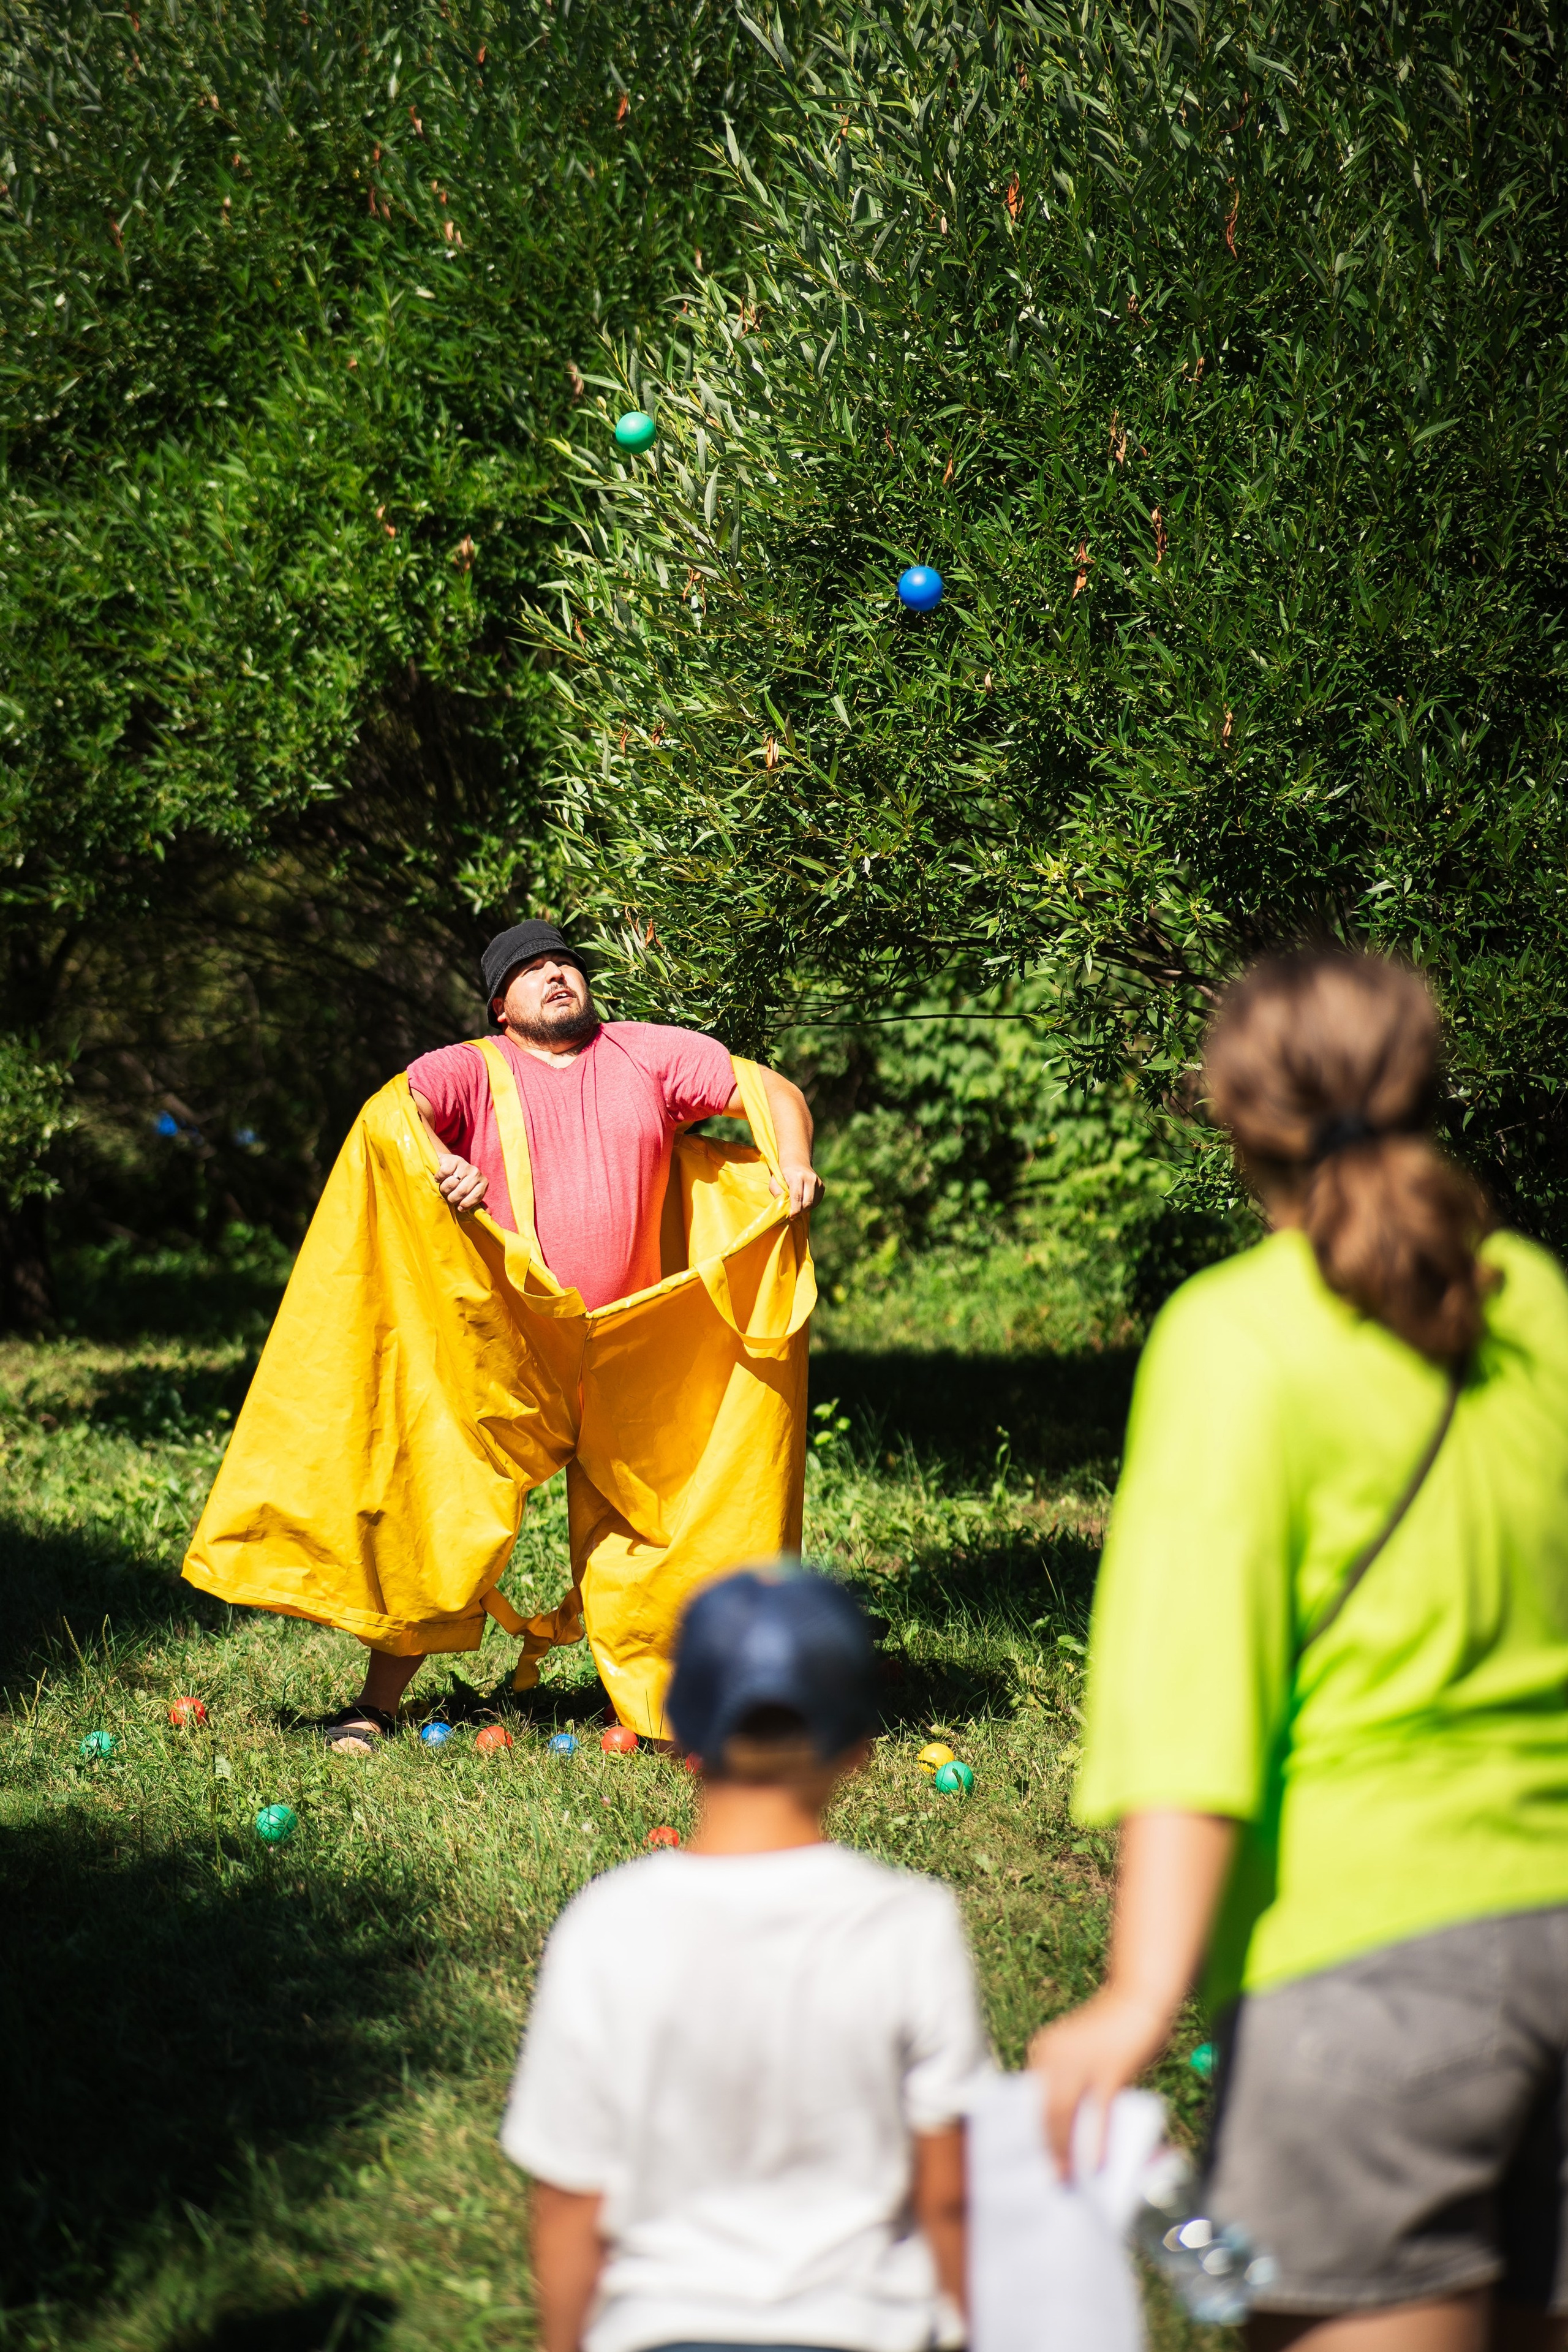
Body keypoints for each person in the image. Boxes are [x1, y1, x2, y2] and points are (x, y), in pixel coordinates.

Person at [1030, 948, 1568, 2352]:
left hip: (1366, 1979)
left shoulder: (1232, 1340)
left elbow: (1194, 1693)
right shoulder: (1537, 1305)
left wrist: (1139, 1992)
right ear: (1427, 1083)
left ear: (1226, 1105)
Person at [183, 922, 823, 1751]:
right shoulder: (471, 1070)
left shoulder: (647, 1056)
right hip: (508, 1348)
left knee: (674, 1526)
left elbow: (768, 1090)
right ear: (500, 1005)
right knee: (439, 1516)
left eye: (565, 962)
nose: (555, 974)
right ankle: (375, 1704)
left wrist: (794, 1159)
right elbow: (398, 1111)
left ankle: (675, 1712)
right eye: (531, 970)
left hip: (635, 1349)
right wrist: (433, 1162)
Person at [500, 1567, 985, 2352]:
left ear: (683, 1733)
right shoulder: (910, 1924)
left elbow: (567, 2197)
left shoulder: (608, 1923)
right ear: (860, 1746)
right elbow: (949, 2189)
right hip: (867, 2331)